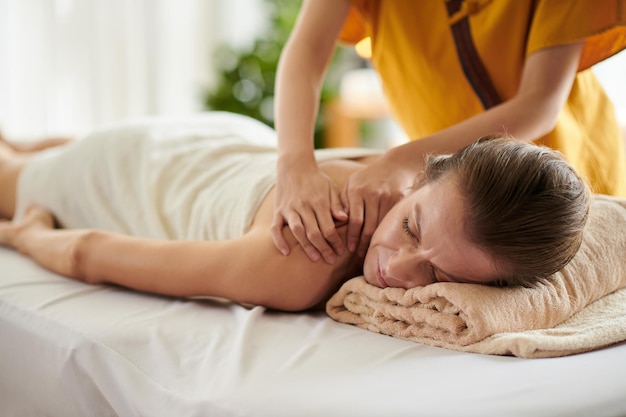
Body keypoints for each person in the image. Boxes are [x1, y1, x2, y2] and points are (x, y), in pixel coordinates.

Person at [0, 112, 590, 311]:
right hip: (132, 175)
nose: (396, 269)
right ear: (422, 175)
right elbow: (85, 251)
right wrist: (26, 235)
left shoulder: (403, 178)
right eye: (411, 227)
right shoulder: (306, 258)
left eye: (441, 276)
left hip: (217, 141)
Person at [272, 0, 626, 266]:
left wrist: (401, 160)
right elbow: (306, 51)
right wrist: (294, 163)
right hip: (450, 203)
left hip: (577, 181)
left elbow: (538, 104)